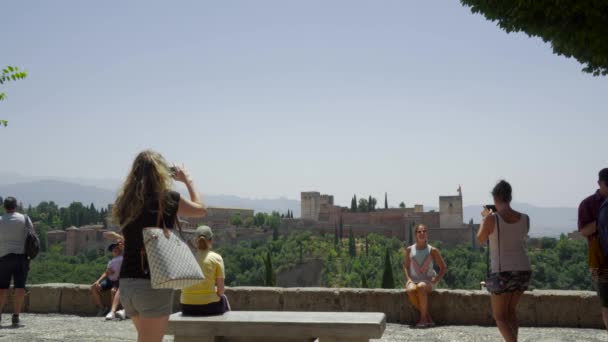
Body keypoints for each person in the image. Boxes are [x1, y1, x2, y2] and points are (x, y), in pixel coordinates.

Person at [113, 150, 206, 342]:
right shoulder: (167, 198)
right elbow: (200, 209)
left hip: (127, 285)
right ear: (161, 173)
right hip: (152, 285)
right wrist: (187, 179)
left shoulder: (125, 202)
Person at [477, 180, 531, 342]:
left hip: (502, 271)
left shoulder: (492, 219)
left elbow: (480, 239)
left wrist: (485, 218)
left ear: (495, 198)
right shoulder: (526, 218)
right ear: (510, 197)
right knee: (510, 312)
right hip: (524, 269)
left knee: (500, 317)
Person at [578, 168, 608, 331]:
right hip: (600, 259)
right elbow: (584, 231)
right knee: (607, 302)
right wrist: (602, 221)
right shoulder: (588, 204)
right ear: (599, 184)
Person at [403, 223, 447, 328]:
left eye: (424, 231)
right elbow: (405, 266)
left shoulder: (433, 250)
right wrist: (408, 279)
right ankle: (428, 316)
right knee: (410, 290)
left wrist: (435, 281)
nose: (422, 233)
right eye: (419, 231)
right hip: (414, 280)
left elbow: (443, 267)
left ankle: (423, 319)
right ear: (416, 234)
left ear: (427, 234)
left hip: (428, 282)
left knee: (421, 286)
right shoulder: (409, 249)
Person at [180, 225, 230, 316]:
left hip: (186, 307)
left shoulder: (185, 257)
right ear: (211, 240)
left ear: (195, 241)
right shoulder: (216, 258)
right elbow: (221, 291)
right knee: (224, 299)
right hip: (209, 307)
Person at [0, 196, 34, 327]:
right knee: (20, 287)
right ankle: (16, 316)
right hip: (21, 257)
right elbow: (32, 235)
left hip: (3, 257)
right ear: (16, 206)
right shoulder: (24, 219)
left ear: (4, 207)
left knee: (2, 288)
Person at [90, 242, 123, 317]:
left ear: (120, 249)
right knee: (93, 287)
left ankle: (112, 311)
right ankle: (102, 308)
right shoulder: (111, 261)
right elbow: (107, 273)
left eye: (117, 248)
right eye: (113, 249)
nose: (115, 249)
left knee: (113, 291)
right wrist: (98, 281)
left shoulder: (123, 258)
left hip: (118, 281)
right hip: (109, 281)